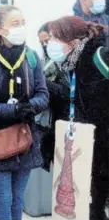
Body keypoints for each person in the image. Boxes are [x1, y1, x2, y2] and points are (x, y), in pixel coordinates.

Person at [0, 5, 49, 220]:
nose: (21, 28)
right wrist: (12, 110)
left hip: (25, 138)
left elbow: (43, 93)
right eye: (15, 24)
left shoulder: (31, 57)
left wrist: (30, 106)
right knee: (3, 199)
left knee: (18, 198)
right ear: (0, 30)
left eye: (23, 23)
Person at [46, 16, 109, 220]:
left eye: (55, 38)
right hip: (93, 142)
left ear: (72, 42)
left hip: (104, 139)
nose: (50, 44)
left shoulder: (99, 56)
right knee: (94, 204)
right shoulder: (74, 61)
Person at [36, 22, 69, 172]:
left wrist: (44, 83)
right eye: (41, 42)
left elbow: (66, 94)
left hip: (66, 121)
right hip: (49, 124)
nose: (44, 45)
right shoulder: (42, 63)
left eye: (47, 41)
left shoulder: (67, 61)